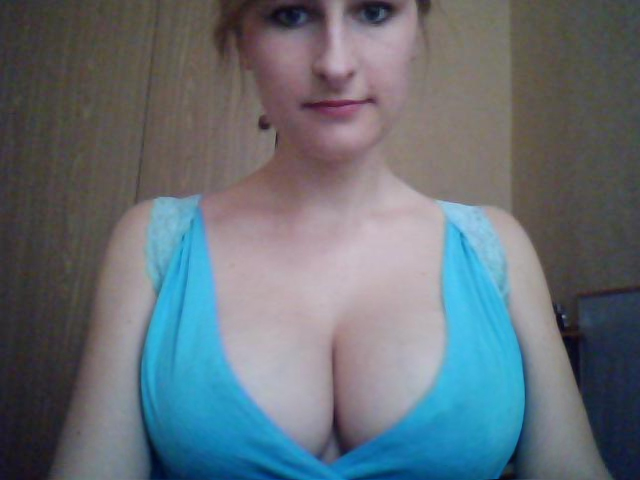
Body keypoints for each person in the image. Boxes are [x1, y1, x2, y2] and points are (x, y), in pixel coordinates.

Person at [50, 1, 612, 478]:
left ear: (416, 29)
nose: (336, 64)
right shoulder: (155, 243)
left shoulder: (496, 248)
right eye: (291, 15)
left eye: (374, 12)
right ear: (242, 41)